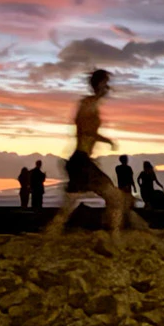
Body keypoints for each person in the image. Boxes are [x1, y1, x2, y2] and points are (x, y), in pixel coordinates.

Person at [52, 69, 145, 238]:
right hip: (81, 161)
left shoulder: (91, 104)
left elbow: (86, 130)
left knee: (69, 205)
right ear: (99, 85)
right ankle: (114, 239)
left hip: (81, 161)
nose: (108, 88)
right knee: (116, 199)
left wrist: (103, 140)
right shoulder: (88, 104)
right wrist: (103, 139)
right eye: (105, 84)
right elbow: (84, 129)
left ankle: (50, 235)